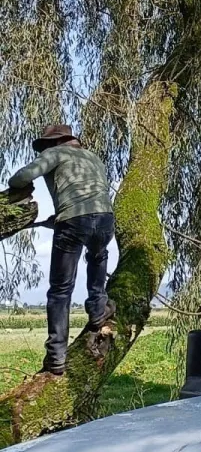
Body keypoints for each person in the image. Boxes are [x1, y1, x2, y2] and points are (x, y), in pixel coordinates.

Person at [7, 124, 116, 375]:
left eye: (45, 145)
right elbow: (88, 199)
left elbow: (20, 178)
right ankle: (98, 307)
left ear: (55, 142)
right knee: (98, 255)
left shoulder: (55, 153)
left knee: (60, 290)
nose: (43, 150)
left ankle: (56, 356)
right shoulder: (93, 157)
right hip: (105, 219)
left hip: (74, 221)